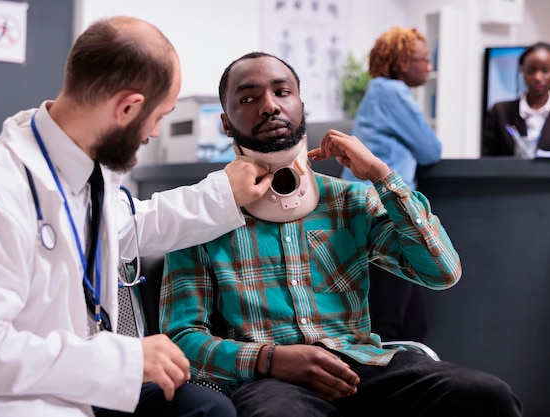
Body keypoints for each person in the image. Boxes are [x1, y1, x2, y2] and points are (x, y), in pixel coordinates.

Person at [160, 52, 523, 417]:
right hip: (269, 382)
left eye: (282, 92)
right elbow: (182, 339)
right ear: (226, 123)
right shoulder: (200, 214)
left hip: (362, 366)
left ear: (302, 105)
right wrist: (270, 359)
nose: (270, 106)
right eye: (248, 98)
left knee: (487, 396)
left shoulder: (350, 199)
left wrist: (382, 176)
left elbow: (442, 272)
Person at [0, 16, 273, 417]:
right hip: (14, 395)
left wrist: (223, 193)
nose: (155, 133)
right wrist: (121, 360)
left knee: (207, 409)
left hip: (86, 374)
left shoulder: (85, 167)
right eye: (159, 117)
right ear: (127, 107)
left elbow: (132, 226)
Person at [340, 26, 442, 342]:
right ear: (400, 62)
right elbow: (431, 150)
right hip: (383, 212)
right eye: (422, 59)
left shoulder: (378, 90)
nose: (429, 67)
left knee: (411, 323)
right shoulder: (392, 91)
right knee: (390, 324)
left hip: (372, 209)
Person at [482, 41, 550, 156]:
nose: (538, 77)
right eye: (531, 70)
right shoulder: (500, 112)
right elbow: (486, 160)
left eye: (545, 70)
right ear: (522, 71)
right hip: (507, 174)